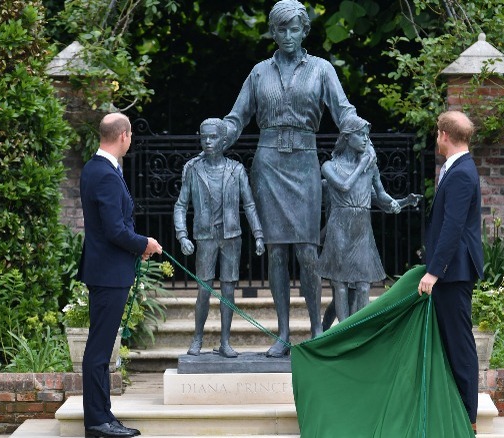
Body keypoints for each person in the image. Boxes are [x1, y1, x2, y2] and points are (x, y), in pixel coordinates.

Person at [221, 0, 360, 357]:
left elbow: (343, 110)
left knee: (308, 251)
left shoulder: (322, 69)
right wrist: (221, 132)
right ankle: (283, 333)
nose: (286, 35)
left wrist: (359, 130)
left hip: (304, 163)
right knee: (277, 252)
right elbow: (237, 117)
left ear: (304, 31)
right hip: (268, 165)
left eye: (293, 28)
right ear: (273, 31)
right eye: (280, 29)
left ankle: (316, 329)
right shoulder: (258, 73)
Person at [77, 112, 162, 438]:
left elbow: (108, 227)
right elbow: (114, 229)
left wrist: (135, 246)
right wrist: (146, 243)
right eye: (130, 137)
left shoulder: (93, 169)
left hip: (106, 269)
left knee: (100, 348)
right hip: (109, 273)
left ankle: (103, 417)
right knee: (99, 350)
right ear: (123, 135)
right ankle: (98, 422)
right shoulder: (106, 175)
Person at [173, 118, 266, 358]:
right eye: (204, 137)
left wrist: (258, 234)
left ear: (224, 140)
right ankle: (198, 338)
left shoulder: (236, 170)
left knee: (228, 291)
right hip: (205, 237)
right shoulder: (193, 169)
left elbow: (250, 204)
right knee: (203, 290)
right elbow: (181, 205)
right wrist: (182, 236)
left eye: (213, 137)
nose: (208, 142)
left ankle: (225, 342)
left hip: (231, 237)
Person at [417, 110, 484, 432]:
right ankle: (455, 412)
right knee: (452, 342)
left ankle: (467, 420)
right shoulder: (457, 168)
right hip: (451, 270)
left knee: (459, 345)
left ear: (444, 135)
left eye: (436, 134)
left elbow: (453, 227)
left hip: (454, 272)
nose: (436, 139)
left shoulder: (461, 173)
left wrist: (434, 271)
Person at [317, 116, 420, 323]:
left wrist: (402, 202)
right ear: (346, 137)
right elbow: (344, 187)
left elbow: (381, 197)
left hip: (361, 227)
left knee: (363, 284)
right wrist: (363, 164)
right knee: (340, 284)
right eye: (360, 134)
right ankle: (342, 332)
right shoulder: (329, 166)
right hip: (339, 225)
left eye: (367, 135)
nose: (365, 140)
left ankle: (358, 330)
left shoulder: (370, 168)